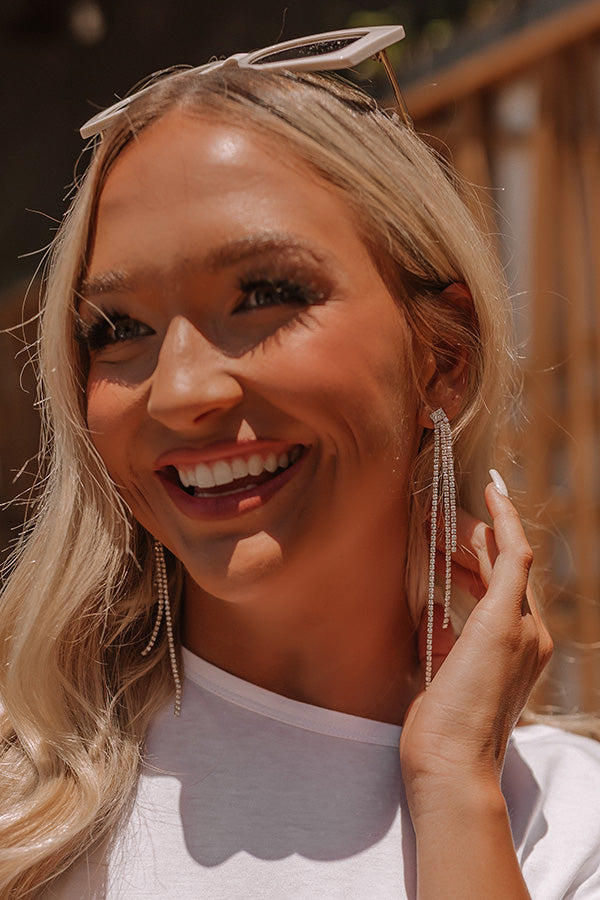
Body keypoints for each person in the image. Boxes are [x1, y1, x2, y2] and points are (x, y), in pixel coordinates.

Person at [1, 26, 599, 900]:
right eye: (118, 330)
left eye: (266, 295)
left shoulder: (567, 821)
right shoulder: (22, 815)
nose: (178, 393)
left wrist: (455, 790)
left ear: (443, 351)